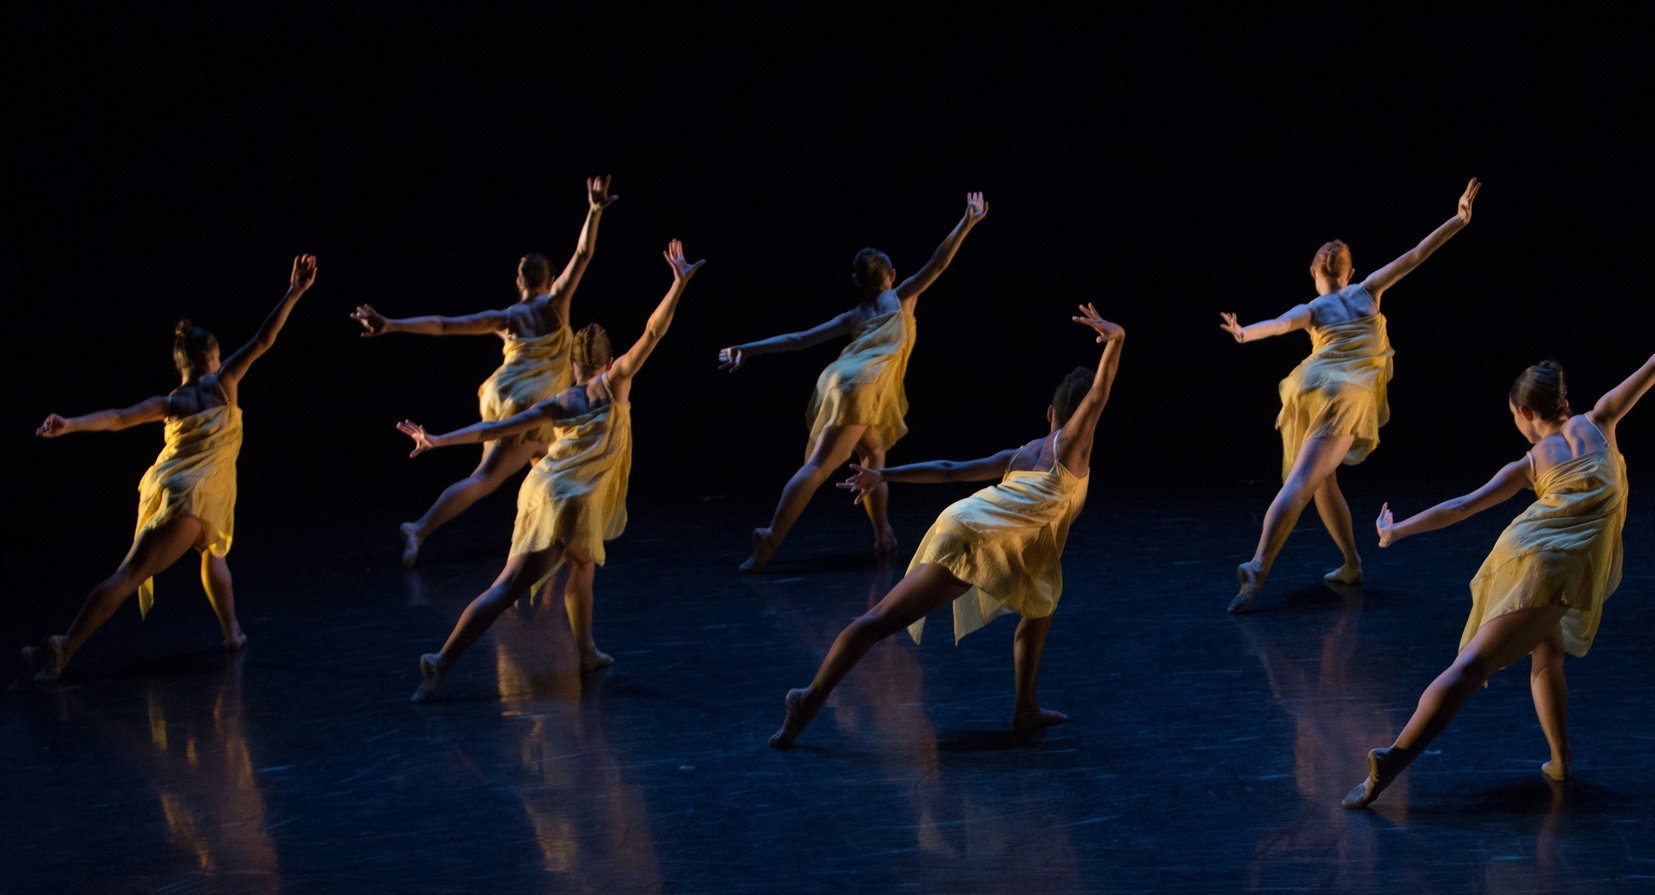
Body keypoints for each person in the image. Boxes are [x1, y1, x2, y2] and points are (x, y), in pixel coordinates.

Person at [1344, 322, 1655, 808]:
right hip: (1551, 566)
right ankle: (1394, 758)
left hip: (1535, 554)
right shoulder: (1601, 421)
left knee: (1547, 655)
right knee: (1470, 668)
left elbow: (1463, 505)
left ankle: (1561, 759)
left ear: (1525, 413)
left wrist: (1396, 530)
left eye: (1513, 416)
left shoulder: (1530, 463)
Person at [769, 304, 1122, 748]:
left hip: (974, 525)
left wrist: (885, 475)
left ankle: (1025, 708)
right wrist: (1117, 341)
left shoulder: (1024, 452)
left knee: (1040, 604)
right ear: (1079, 422)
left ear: (1048, 414)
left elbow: (951, 468)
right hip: (972, 540)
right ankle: (808, 697)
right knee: (878, 623)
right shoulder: (1072, 447)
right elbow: (1099, 395)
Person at [399, 241, 703, 702]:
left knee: (582, 564)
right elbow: (653, 332)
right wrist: (677, 284)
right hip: (567, 497)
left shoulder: (559, 401)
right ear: (606, 360)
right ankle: (441, 661)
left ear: (573, 363)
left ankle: (586, 653)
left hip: (543, 488)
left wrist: (438, 439)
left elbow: (494, 428)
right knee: (506, 588)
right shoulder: (616, 383)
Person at [23, 255, 319, 681]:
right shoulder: (224, 384)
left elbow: (119, 416)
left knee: (213, 549)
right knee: (130, 574)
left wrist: (71, 425)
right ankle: (63, 647)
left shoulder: (171, 403)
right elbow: (263, 339)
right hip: (190, 495)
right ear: (211, 356)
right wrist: (294, 292)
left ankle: (232, 632)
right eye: (218, 354)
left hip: (179, 487)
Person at [1220, 178, 1481, 612]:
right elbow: (1417, 255)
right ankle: (1268, 564)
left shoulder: (1314, 309)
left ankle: (1328, 564)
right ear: (1350, 273)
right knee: (1308, 481)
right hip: (1345, 396)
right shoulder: (1368, 290)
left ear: (1313, 274)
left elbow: (1282, 323)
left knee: (1316, 481)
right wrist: (1458, 219)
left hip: (1312, 390)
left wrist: (1245, 333)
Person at [352, 176, 617, 566]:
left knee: (550, 460)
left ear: (519, 282)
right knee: (486, 479)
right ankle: (419, 528)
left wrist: (391, 324)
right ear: (548, 281)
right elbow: (583, 255)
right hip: (531, 399)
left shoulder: (505, 317)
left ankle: (553, 537)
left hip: (505, 395)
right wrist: (594, 212)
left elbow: (444, 324)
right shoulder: (555, 306)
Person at [721, 193, 989, 572]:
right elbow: (937, 263)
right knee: (817, 467)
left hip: (838, 379)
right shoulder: (901, 300)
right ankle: (770, 538)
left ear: (857, 283)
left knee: (874, 457)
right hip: (858, 388)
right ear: (892, 275)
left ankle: (883, 534)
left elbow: (799, 339)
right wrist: (968, 221)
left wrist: (746, 349)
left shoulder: (853, 316)